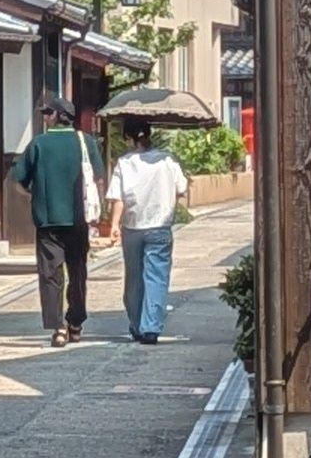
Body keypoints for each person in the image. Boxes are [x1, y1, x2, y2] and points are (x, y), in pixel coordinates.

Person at [10, 100, 99, 346]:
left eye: (48, 113)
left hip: (48, 220)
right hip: (79, 219)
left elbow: (18, 181)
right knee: (78, 271)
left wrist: (34, 196)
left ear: (58, 116)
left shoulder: (39, 143)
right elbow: (97, 178)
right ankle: (76, 322)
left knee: (50, 274)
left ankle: (58, 327)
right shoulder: (86, 143)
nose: (45, 117)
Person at [105, 120, 192, 344]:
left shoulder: (124, 163)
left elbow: (118, 198)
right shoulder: (168, 160)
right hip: (160, 226)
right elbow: (182, 189)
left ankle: (136, 324)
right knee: (157, 277)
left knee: (134, 279)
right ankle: (150, 327)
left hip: (132, 228)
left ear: (129, 138)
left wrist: (114, 225)